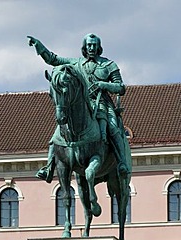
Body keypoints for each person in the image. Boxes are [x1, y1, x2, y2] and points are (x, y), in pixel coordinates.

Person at [28, 33, 130, 182]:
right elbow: (53, 59)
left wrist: (104, 85)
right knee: (58, 132)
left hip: (102, 103)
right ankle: (49, 167)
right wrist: (39, 46)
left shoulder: (109, 65)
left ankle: (121, 163)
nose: (91, 48)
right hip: (82, 104)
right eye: (89, 45)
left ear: (99, 47)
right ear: (84, 47)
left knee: (113, 127)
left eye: (94, 45)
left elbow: (121, 88)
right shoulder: (76, 64)